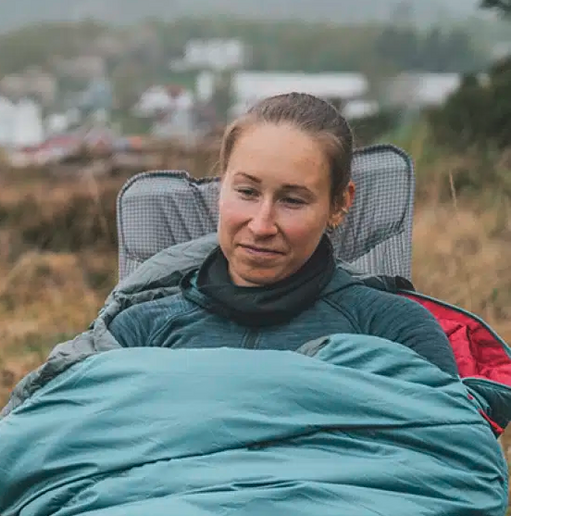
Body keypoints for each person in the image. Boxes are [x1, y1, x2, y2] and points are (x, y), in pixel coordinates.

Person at [108, 92, 459, 376]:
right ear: (221, 188)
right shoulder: (135, 334)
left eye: (292, 200)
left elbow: (448, 452)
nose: (261, 226)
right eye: (246, 192)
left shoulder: (395, 331)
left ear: (339, 204)